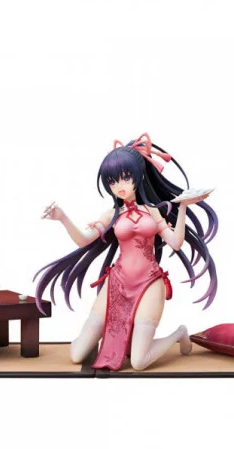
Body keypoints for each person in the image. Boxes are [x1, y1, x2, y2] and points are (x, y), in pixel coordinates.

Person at [33, 133, 218, 371]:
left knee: (139, 362)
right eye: (112, 181)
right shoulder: (111, 215)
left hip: (149, 282)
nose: (119, 186)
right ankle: (120, 339)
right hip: (118, 281)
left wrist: (181, 207)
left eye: (125, 178)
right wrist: (62, 218)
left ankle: (179, 333)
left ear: (138, 176)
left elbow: (176, 243)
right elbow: (83, 240)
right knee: (77, 355)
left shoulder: (152, 211)